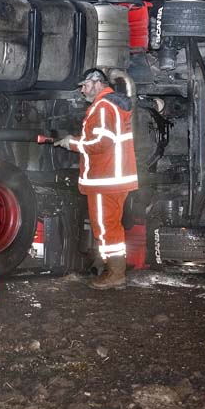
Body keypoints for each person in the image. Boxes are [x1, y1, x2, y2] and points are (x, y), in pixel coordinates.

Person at [54, 69, 138, 290]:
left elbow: (100, 143)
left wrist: (71, 143)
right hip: (114, 177)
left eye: (84, 85)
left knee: (106, 226)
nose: (82, 90)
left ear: (97, 83)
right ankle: (112, 267)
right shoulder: (112, 106)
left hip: (105, 178)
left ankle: (116, 274)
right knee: (110, 225)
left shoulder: (102, 108)